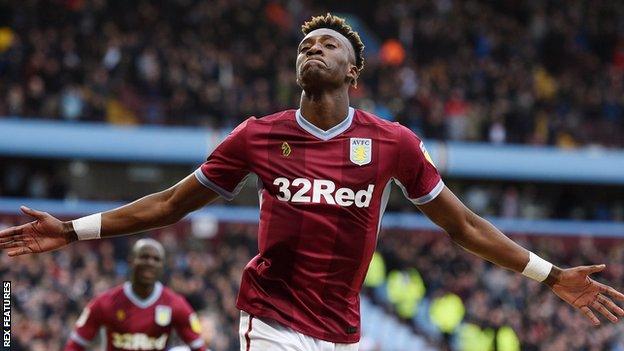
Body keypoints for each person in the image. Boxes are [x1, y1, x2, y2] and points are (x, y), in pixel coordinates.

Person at [1, 13, 624, 351]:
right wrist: (74, 230)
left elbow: (462, 226)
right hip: (271, 323)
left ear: (354, 73)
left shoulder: (393, 144)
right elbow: (168, 205)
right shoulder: (256, 136)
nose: (313, 48)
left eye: (328, 43)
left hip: (344, 333)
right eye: (307, 43)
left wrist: (549, 275)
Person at [63, 239, 206, 351]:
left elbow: (199, 347)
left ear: (162, 266)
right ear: (131, 261)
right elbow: (74, 345)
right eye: (144, 257)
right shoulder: (105, 302)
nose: (150, 262)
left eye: (156, 259)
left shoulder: (175, 304)